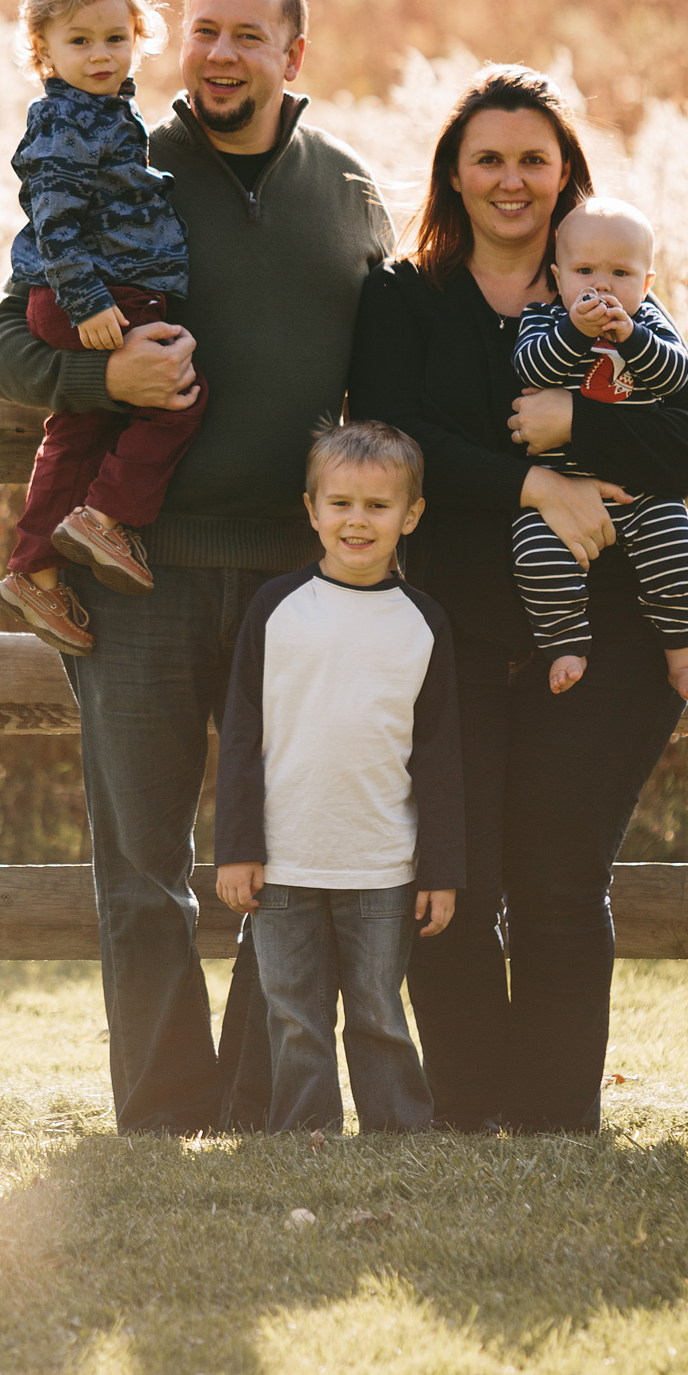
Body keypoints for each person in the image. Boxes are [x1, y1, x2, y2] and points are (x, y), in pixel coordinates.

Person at [0, 0, 394, 1134]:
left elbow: (391, 377)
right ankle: (162, 1113)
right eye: (203, 29)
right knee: (143, 868)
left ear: (291, 55)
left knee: (289, 859)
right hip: (133, 574)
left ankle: (262, 1103)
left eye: (247, 35)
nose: (218, 53)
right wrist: (101, 369)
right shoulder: (117, 159)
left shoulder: (350, 190)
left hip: (295, 580)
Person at [349, 64, 688, 1135]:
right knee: (452, 884)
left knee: (561, 882)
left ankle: (557, 1119)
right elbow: (392, 438)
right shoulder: (402, 297)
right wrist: (533, 482)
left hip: (607, 634)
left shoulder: (611, 295)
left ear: (565, 174)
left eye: (533, 158)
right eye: (489, 159)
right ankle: (471, 1114)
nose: (511, 179)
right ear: (454, 174)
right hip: (451, 632)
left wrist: (577, 427)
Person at [214, 420, 464, 1136]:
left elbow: (441, 756)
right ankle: (305, 1131)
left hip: (384, 863)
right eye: (342, 503)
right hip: (284, 858)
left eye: (378, 506)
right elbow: (239, 737)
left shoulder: (424, 622)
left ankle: (398, 1133)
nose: (358, 520)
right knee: (293, 1011)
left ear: (410, 516)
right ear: (312, 509)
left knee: (379, 1010)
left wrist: (441, 869)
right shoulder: (277, 609)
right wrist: (237, 847)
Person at [0, 0, 208, 654]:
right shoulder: (66, 119)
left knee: (78, 430)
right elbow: (54, 218)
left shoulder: (109, 113)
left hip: (104, 287)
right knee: (178, 396)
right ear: (43, 49)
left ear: (139, 38)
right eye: (79, 41)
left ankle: (34, 570)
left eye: (116, 37)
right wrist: (88, 302)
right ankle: (107, 517)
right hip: (103, 291)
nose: (101, 54)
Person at [510, 195, 688, 707]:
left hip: (640, 490)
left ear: (646, 285)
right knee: (535, 557)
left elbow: (679, 380)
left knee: (680, 557)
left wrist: (636, 340)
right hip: (557, 490)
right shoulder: (543, 319)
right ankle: (565, 645)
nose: (601, 285)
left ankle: (687, 658)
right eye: (584, 270)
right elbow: (532, 370)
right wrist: (574, 333)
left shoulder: (653, 329)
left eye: (620, 273)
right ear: (558, 278)